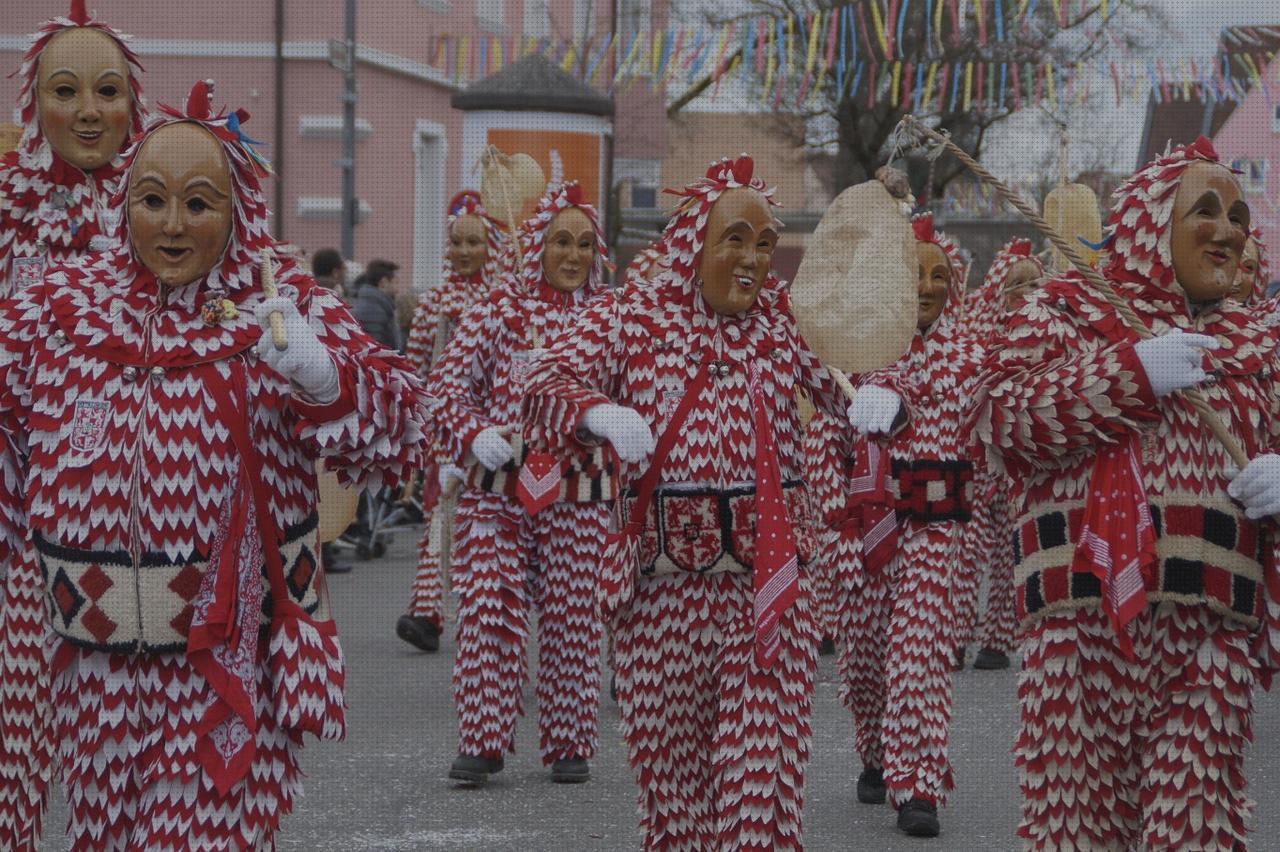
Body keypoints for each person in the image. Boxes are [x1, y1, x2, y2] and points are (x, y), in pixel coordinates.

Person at [0, 80, 430, 850]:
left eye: (198, 204)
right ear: (123, 204)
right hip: (91, 674)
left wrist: (324, 376)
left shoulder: (279, 303)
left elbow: (403, 434)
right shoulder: (54, 309)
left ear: (235, 215)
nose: (171, 224)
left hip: (219, 673)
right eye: (152, 200)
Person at [524, 156, 851, 849]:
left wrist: (881, 399)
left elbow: (850, 387)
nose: (753, 260)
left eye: (765, 244)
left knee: (762, 784)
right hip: (663, 599)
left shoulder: (785, 324)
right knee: (673, 793)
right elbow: (544, 382)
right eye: (735, 238)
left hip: (771, 592)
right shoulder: (629, 317)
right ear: (694, 244)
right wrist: (596, 413)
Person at [976, 136, 1280, 850]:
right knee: (1074, 831)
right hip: (1075, 630)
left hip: (1208, 635)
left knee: (1196, 832)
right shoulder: (1065, 312)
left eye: (1239, 215)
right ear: (1151, 225)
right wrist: (1129, 373)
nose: (1231, 230)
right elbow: (1002, 418)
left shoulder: (1261, 346)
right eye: (1206, 210)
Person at [0, 2, 147, 843]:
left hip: (141, 511)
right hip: (26, 513)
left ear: (134, 102)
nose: (88, 111)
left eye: (107, 90)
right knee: (19, 711)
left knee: (119, 728)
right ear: (34, 102)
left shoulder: (168, 199)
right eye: (66, 91)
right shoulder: (8, 208)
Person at [427, 182, 615, 786]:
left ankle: (568, 741)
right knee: (488, 607)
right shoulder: (497, 307)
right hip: (496, 486)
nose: (574, 255)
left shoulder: (609, 315)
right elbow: (445, 389)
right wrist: (470, 432)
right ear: (537, 245)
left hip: (578, 491)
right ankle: (482, 739)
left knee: (572, 617)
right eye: (562, 241)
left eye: (585, 244)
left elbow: (636, 398)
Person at [807, 212, 978, 838]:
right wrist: (835, 520)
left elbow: (943, 389)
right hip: (863, 526)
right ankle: (878, 752)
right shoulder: (850, 351)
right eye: (915, 274)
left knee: (916, 653)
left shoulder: (964, 354)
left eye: (940, 276)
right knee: (865, 657)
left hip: (935, 524)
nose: (927, 287)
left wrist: (895, 391)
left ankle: (918, 784)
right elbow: (822, 436)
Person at [395, 190, 509, 653]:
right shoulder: (434, 303)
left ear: (490, 247)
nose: (463, 251)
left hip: (497, 432)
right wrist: (411, 431)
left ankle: (494, 615)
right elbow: (415, 372)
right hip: (447, 433)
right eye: (457, 242)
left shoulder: (507, 301)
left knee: (493, 527)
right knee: (440, 517)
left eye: (473, 243)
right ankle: (426, 614)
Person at [950, 241, 1045, 672]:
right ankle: (952, 636)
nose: (1024, 291)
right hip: (970, 459)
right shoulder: (972, 333)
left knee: (1011, 553)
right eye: (1016, 283)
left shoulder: (1044, 334)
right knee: (964, 551)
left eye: (1033, 283)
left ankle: (996, 639)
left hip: (1018, 465)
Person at [351, 257, 402, 351]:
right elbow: (376, 351)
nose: (398, 289)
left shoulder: (376, 305)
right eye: (396, 282)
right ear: (383, 282)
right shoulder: (373, 310)